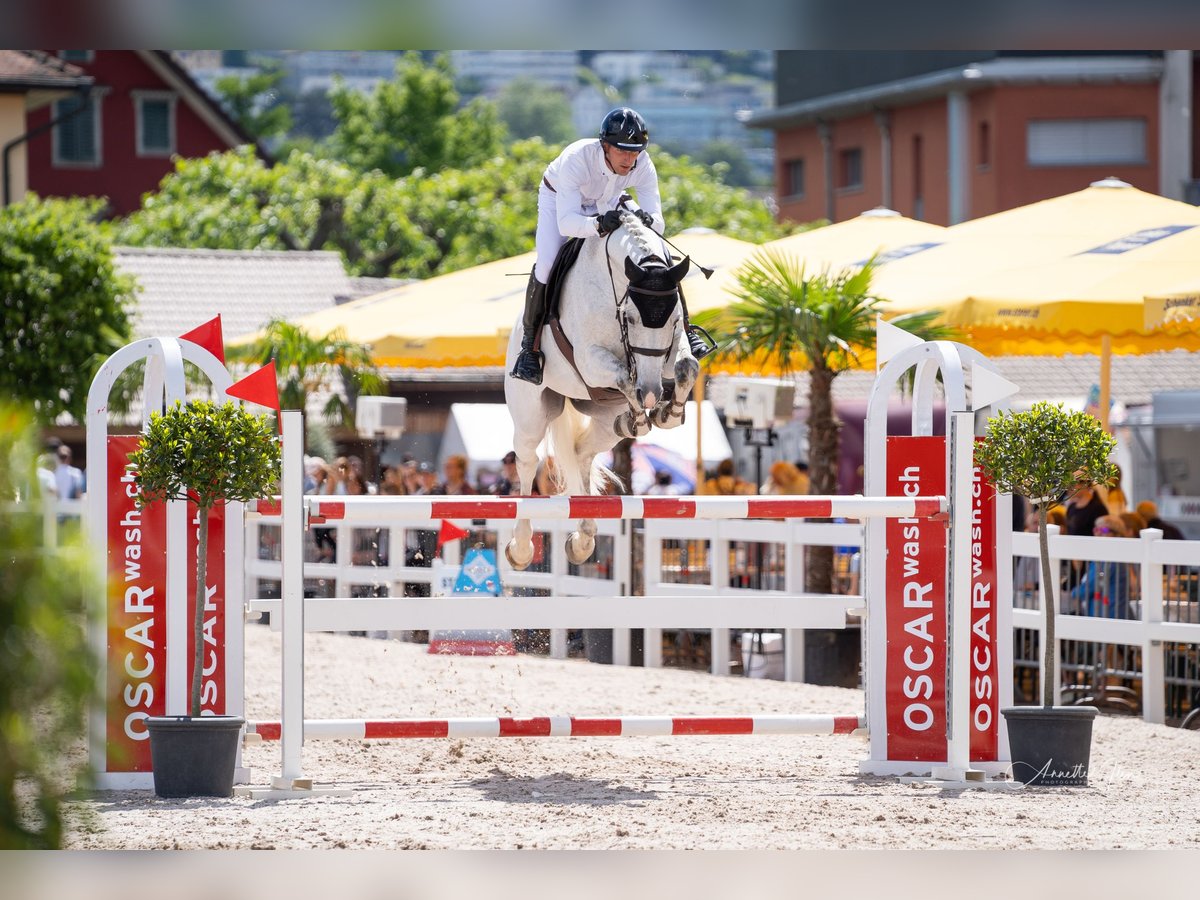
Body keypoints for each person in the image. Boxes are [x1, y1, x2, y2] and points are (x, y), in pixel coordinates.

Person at [509, 107, 710, 385]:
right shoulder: (578, 159)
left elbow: (658, 223)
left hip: (611, 200)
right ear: (605, 146)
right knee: (546, 264)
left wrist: (647, 220)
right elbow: (568, 224)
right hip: (561, 201)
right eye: (622, 151)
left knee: (659, 252)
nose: (630, 159)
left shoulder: (643, 164)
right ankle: (529, 348)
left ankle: (687, 330)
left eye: (635, 151)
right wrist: (598, 225)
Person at [1069, 515, 1137, 618]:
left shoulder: (1113, 559)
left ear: (1117, 535)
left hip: (1112, 617)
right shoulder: (1100, 558)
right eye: (1096, 529)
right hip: (1103, 614)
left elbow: (1091, 586)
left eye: (1104, 530)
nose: (1098, 533)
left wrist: (1072, 593)